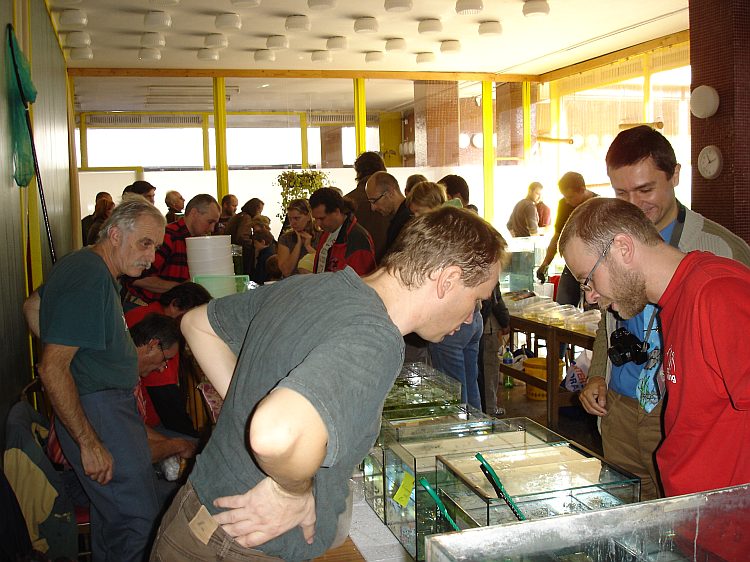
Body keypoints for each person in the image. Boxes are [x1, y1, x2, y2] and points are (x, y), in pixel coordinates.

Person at [150, 206, 508, 560]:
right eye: (476, 300)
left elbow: (197, 324)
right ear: (448, 280)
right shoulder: (377, 337)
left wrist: (249, 405)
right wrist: (291, 490)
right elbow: (275, 433)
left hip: (188, 519)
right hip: (242, 547)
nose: (470, 317)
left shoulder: (311, 285)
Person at [580, 126, 750, 500]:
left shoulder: (721, 251)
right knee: (623, 508)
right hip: (621, 405)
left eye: (645, 190)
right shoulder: (614, 242)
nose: (633, 204)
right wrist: (597, 375)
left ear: (674, 176)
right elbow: (608, 317)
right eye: (621, 193)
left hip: (678, 410)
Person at [22, 197, 166, 562]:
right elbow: (52, 368)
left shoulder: (91, 267)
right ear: (115, 234)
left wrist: (79, 355)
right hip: (101, 411)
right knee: (139, 522)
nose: (151, 258)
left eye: (155, 247)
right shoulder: (88, 274)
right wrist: (88, 442)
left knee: (113, 520)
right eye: (145, 243)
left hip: (104, 407)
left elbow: (33, 306)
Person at [125, 282, 212, 437]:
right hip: (149, 422)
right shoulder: (161, 332)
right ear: (175, 304)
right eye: (192, 317)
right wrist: (193, 438)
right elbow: (166, 400)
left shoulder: (146, 313)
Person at [428, 174, 485, 409]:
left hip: (455, 320)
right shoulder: (476, 230)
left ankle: (465, 429)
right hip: (475, 318)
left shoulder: (444, 236)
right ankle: (478, 426)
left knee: (455, 391)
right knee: (470, 384)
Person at [123, 194, 220, 308]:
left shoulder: (195, 241)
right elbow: (135, 279)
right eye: (210, 222)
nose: (212, 228)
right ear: (194, 213)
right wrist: (184, 288)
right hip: (145, 307)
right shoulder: (168, 237)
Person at [536, 172, 597, 307]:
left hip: (595, 267)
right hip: (571, 265)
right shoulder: (564, 204)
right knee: (563, 306)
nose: (567, 201)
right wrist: (545, 263)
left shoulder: (598, 205)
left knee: (592, 309)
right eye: (564, 196)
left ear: (582, 190)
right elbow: (557, 236)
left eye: (570, 197)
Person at [309, 188, 376, 276]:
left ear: (337, 211)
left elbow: (360, 280)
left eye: (322, 218)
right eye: (315, 219)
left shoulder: (358, 239)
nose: (318, 224)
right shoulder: (327, 231)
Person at [345, 151, 389, 262]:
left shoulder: (346, 202)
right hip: (386, 263)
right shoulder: (390, 199)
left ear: (358, 172)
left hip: (354, 263)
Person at [365, 171, 411, 254]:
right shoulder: (400, 218)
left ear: (390, 193)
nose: (373, 208)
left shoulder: (406, 221)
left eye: (374, 201)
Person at [277, 199, 321, 278]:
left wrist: (308, 246)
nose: (293, 223)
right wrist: (298, 244)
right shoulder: (285, 239)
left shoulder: (321, 236)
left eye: (297, 218)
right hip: (292, 283)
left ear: (308, 216)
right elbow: (286, 271)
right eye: (290, 219)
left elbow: (323, 265)